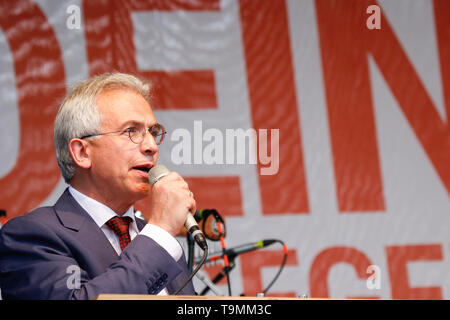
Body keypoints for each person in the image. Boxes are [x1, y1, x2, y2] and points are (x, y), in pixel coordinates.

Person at [0, 72, 197, 299]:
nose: (152, 146)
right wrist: (161, 231)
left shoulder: (157, 237)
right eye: (131, 131)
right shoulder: (31, 236)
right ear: (82, 152)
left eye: (153, 132)